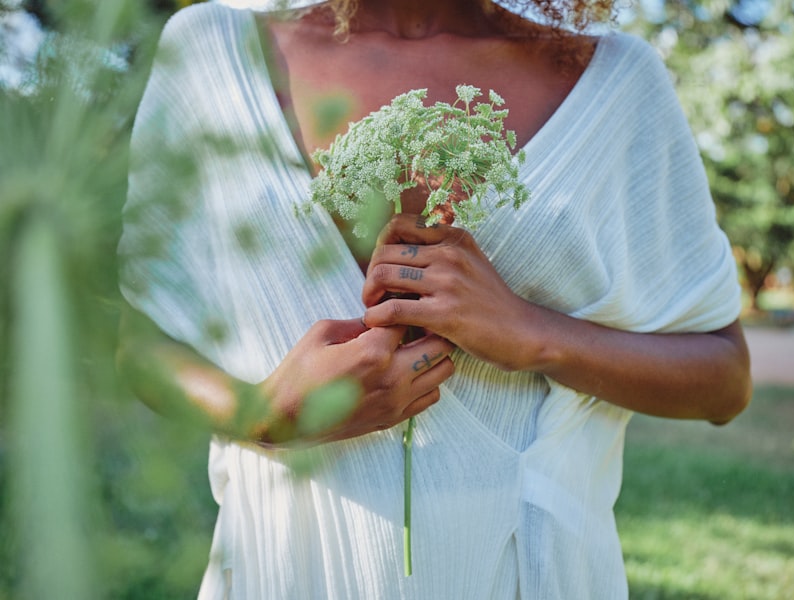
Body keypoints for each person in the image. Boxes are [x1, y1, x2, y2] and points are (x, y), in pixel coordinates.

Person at [117, 0, 752, 597]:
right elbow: (141, 345)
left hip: (528, 569)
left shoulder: (613, 80)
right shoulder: (211, 52)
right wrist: (260, 414)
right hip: (283, 566)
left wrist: (532, 334)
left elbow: (723, 377)